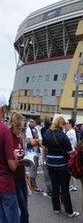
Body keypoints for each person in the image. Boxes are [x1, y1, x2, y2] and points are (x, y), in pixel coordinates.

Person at [42, 116, 79, 217]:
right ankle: (69, 211)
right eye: (64, 124)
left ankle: (56, 208)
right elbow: (70, 152)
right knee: (64, 188)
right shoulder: (63, 136)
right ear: (61, 124)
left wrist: (46, 158)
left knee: (54, 186)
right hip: (62, 164)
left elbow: (44, 146)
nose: (65, 126)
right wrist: (75, 152)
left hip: (50, 163)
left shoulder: (47, 133)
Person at [0, 95, 20, 223]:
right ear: (2, 109)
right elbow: (12, 165)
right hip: (5, 183)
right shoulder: (4, 130)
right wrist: (16, 157)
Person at [11, 112, 29, 223]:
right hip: (13, 177)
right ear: (12, 125)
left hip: (22, 174)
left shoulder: (21, 136)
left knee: (25, 207)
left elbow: (22, 154)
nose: (19, 131)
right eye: (17, 128)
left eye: (21, 128)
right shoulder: (8, 136)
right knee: (23, 209)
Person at [25, 118, 42, 193]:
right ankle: (32, 185)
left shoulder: (36, 129)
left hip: (37, 152)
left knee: (35, 169)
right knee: (32, 169)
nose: (31, 123)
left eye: (32, 122)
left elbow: (41, 141)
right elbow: (31, 142)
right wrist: (37, 140)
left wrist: (36, 140)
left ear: (36, 123)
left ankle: (31, 184)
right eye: (30, 121)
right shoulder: (28, 129)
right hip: (31, 152)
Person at [40, 117, 52, 197]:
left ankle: (49, 190)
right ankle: (51, 189)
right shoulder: (51, 131)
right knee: (50, 172)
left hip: (45, 150)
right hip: (51, 151)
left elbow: (43, 143)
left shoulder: (42, 130)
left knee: (46, 172)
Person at [66, 119, 79, 192]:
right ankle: (74, 185)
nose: (67, 125)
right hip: (72, 151)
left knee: (70, 170)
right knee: (71, 169)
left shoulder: (70, 132)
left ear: (70, 124)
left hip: (70, 152)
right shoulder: (73, 132)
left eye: (68, 124)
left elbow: (68, 143)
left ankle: (75, 186)